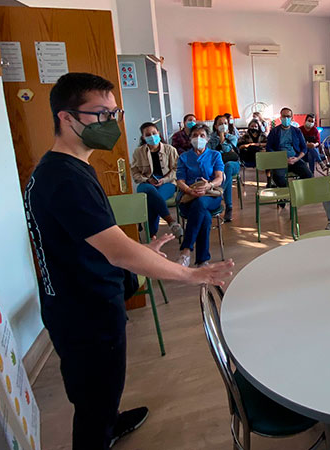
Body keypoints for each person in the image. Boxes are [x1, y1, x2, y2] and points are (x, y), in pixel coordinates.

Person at [24, 72, 233, 450]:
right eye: (101, 114)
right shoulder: (64, 178)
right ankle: (98, 434)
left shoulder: (70, 168)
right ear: (66, 117)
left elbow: (93, 239)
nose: (111, 122)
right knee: (92, 399)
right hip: (82, 310)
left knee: (103, 387)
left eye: (114, 113)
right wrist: (191, 274)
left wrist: (143, 250)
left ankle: (111, 421)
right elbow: (117, 250)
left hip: (87, 297)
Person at [175, 124, 226, 267]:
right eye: (195, 135)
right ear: (190, 138)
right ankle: (202, 260)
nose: (198, 138)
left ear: (208, 139)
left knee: (201, 203)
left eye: (202, 135)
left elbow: (219, 178)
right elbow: (180, 180)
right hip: (189, 197)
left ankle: (186, 251)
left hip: (211, 195)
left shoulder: (215, 155)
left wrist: (209, 185)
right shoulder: (184, 157)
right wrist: (190, 190)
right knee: (205, 216)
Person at [130, 122, 183, 237]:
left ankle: (152, 236)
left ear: (158, 133)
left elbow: (176, 170)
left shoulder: (170, 149)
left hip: (167, 182)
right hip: (146, 183)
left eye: (154, 133)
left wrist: (164, 180)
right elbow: (135, 172)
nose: (152, 136)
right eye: (148, 135)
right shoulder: (138, 152)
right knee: (149, 191)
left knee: (151, 201)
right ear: (143, 137)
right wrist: (147, 179)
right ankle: (170, 221)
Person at [265, 107, 313, 187]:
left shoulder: (297, 131)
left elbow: (304, 148)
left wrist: (297, 158)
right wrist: (282, 159)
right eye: (284, 116)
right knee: (278, 177)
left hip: (295, 159)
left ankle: (297, 189)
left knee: (308, 175)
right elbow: (269, 148)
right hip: (280, 161)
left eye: (288, 116)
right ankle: (287, 191)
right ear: (280, 118)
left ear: (291, 118)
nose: (286, 118)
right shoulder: (274, 131)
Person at [208, 115, 239, 222]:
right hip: (217, 166)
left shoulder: (232, 137)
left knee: (228, 167)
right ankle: (229, 206)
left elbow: (226, 150)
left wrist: (222, 138)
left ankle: (218, 194)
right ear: (215, 126)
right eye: (220, 124)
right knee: (226, 175)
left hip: (233, 164)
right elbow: (209, 153)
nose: (223, 125)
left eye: (225, 123)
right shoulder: (210, 139)